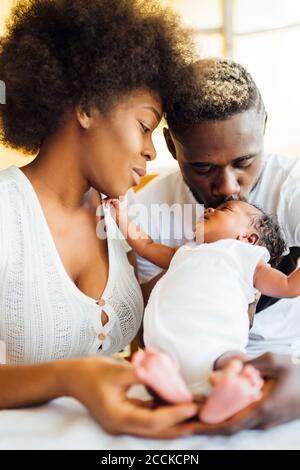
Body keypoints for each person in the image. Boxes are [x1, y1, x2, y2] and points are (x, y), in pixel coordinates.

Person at [0, 0, 202, 438]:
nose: (152, 150)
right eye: (145, 125)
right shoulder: (6, 214)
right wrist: (72, 378)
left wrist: (210, 285)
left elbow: (147, 337)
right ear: (88, 107)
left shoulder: (115, 217)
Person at [129, 57, 300, 432]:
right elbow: (144, 316)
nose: (228, 187)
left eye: (244, 161)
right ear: (173, 147)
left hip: (287, 364)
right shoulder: (147, 209)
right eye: (203, 168)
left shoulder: (293, 188)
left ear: (264, 127)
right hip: (183, 365)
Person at [106, 195, 300, 423]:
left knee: (236, 363)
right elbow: (146, 246)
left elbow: (288, 286)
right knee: (156, 367)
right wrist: (122, 217)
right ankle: (179, 396)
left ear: (248, 238)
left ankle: (229, 392)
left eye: (225, 210)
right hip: (168, 346)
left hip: (219, 346)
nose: (208, 211)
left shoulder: (246, 259)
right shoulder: (185, 253)